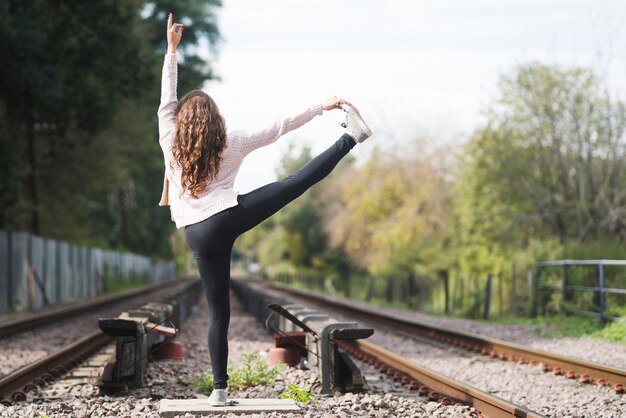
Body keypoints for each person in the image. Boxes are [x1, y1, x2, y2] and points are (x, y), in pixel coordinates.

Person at [158, 13, 372, 406]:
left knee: (217, 312)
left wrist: (172, 51)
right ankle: (350, 139)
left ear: (184, 121)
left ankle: (218, 392)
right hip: (226, 217)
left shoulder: (169, 137)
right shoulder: (231, 141)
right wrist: (319, 108)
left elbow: (167, 98)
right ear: (213, 120)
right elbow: (278, 127)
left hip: (196, 233)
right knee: (293, 184)